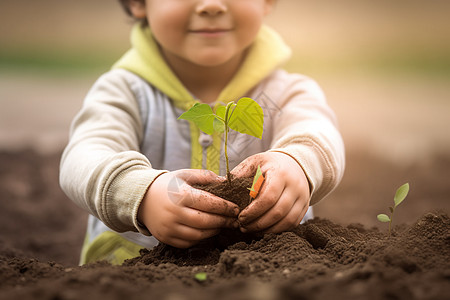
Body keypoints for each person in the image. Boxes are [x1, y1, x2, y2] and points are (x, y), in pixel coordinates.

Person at [60, 0, 345, 265]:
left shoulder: (289, 92)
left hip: (267, 269)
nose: (211, 5)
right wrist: (141, 194)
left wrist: (297, 162)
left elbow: (318, 133)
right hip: (134, 274)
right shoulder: (124, 92)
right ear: (138, 2)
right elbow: (83, 157)